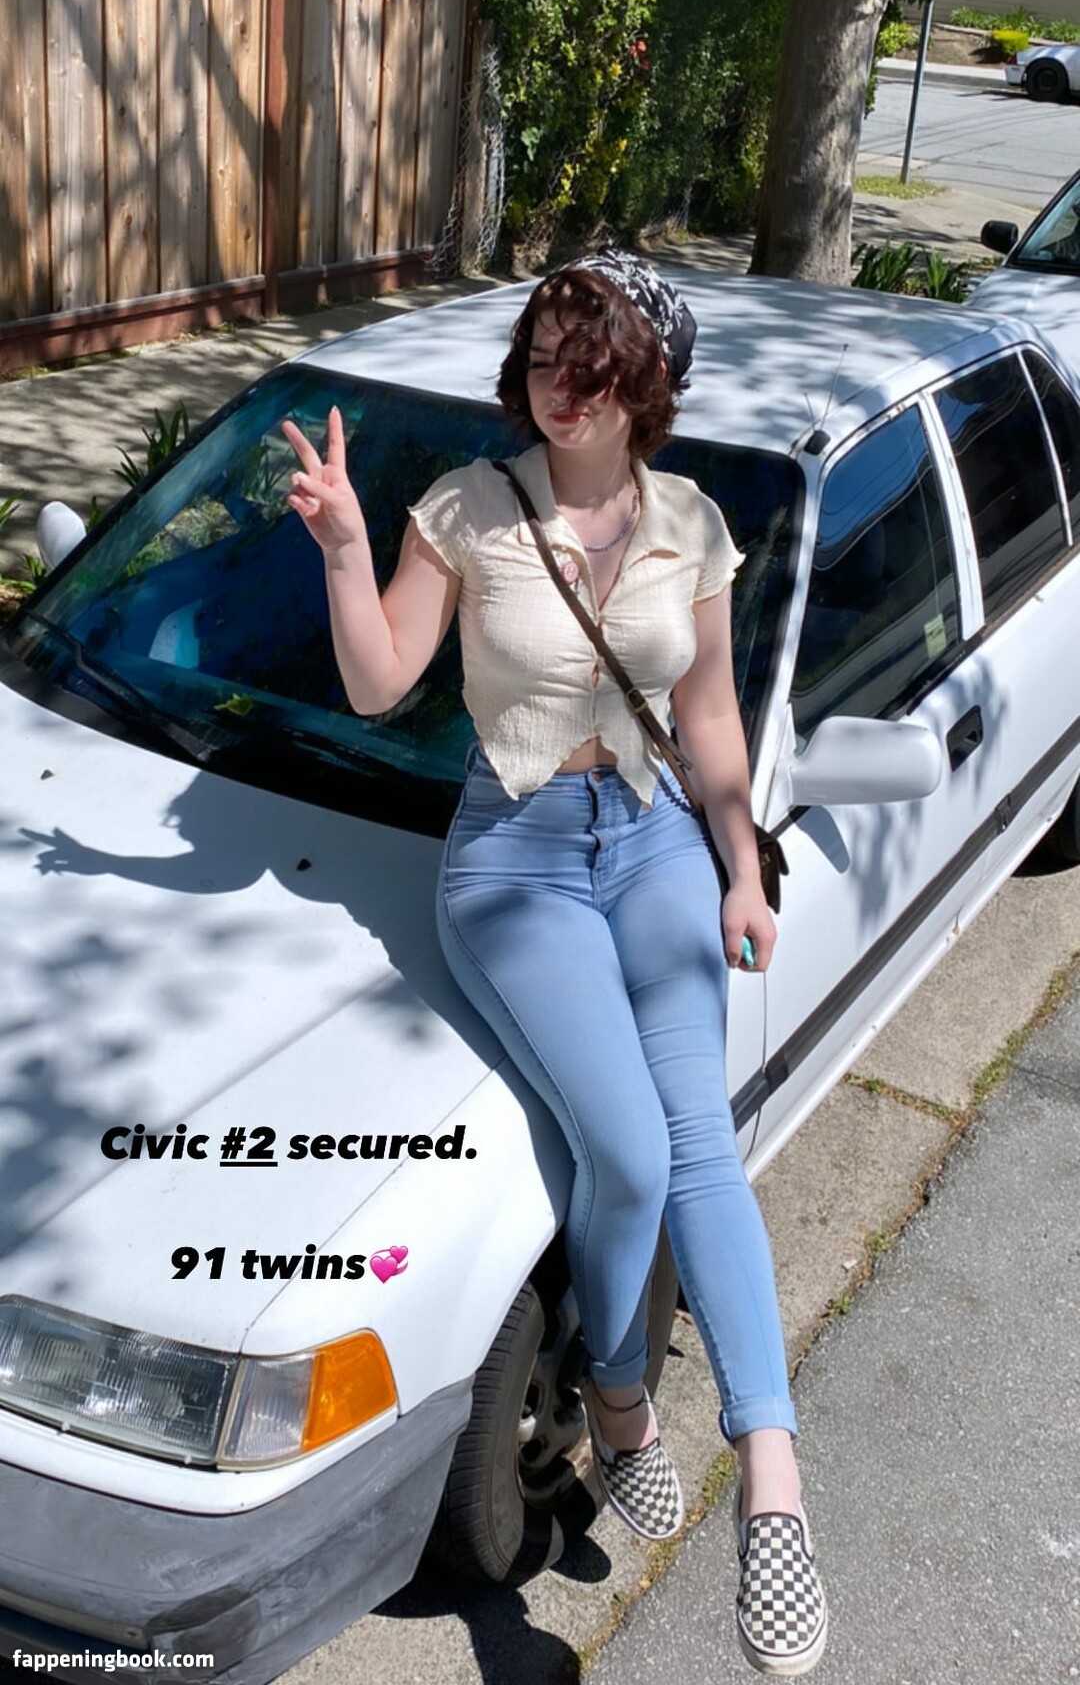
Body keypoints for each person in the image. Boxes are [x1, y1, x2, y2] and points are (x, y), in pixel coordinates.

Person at [282, 253, 827, 1678]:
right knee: (628, 1151)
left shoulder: (692, 525)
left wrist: (741, 859)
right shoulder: (466, 508)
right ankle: (624, 1400)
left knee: (697, 1139)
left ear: (647, 386)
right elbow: (379, 683)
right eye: (541, 356)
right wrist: (344, 547)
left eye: (591, 363)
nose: (558, 384)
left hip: (652, 842)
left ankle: (772, 1476)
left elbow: (710, 718)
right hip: (515, 862)